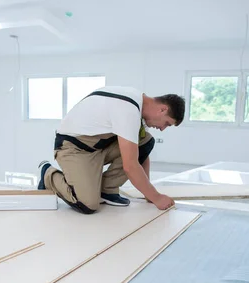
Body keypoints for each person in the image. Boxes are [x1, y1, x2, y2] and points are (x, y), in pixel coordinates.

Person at [37, 86, 185, 214]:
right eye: (167, 123)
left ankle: (106, 190)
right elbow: (130, 166)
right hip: (73, 148)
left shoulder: (137, 102)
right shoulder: (128, 110)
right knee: (87, 204)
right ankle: (47, 174)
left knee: (146, 141)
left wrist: (149, 194)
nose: (162, 128)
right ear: (162, 109)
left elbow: (141, 154)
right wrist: (156, 197)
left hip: (98, 145)